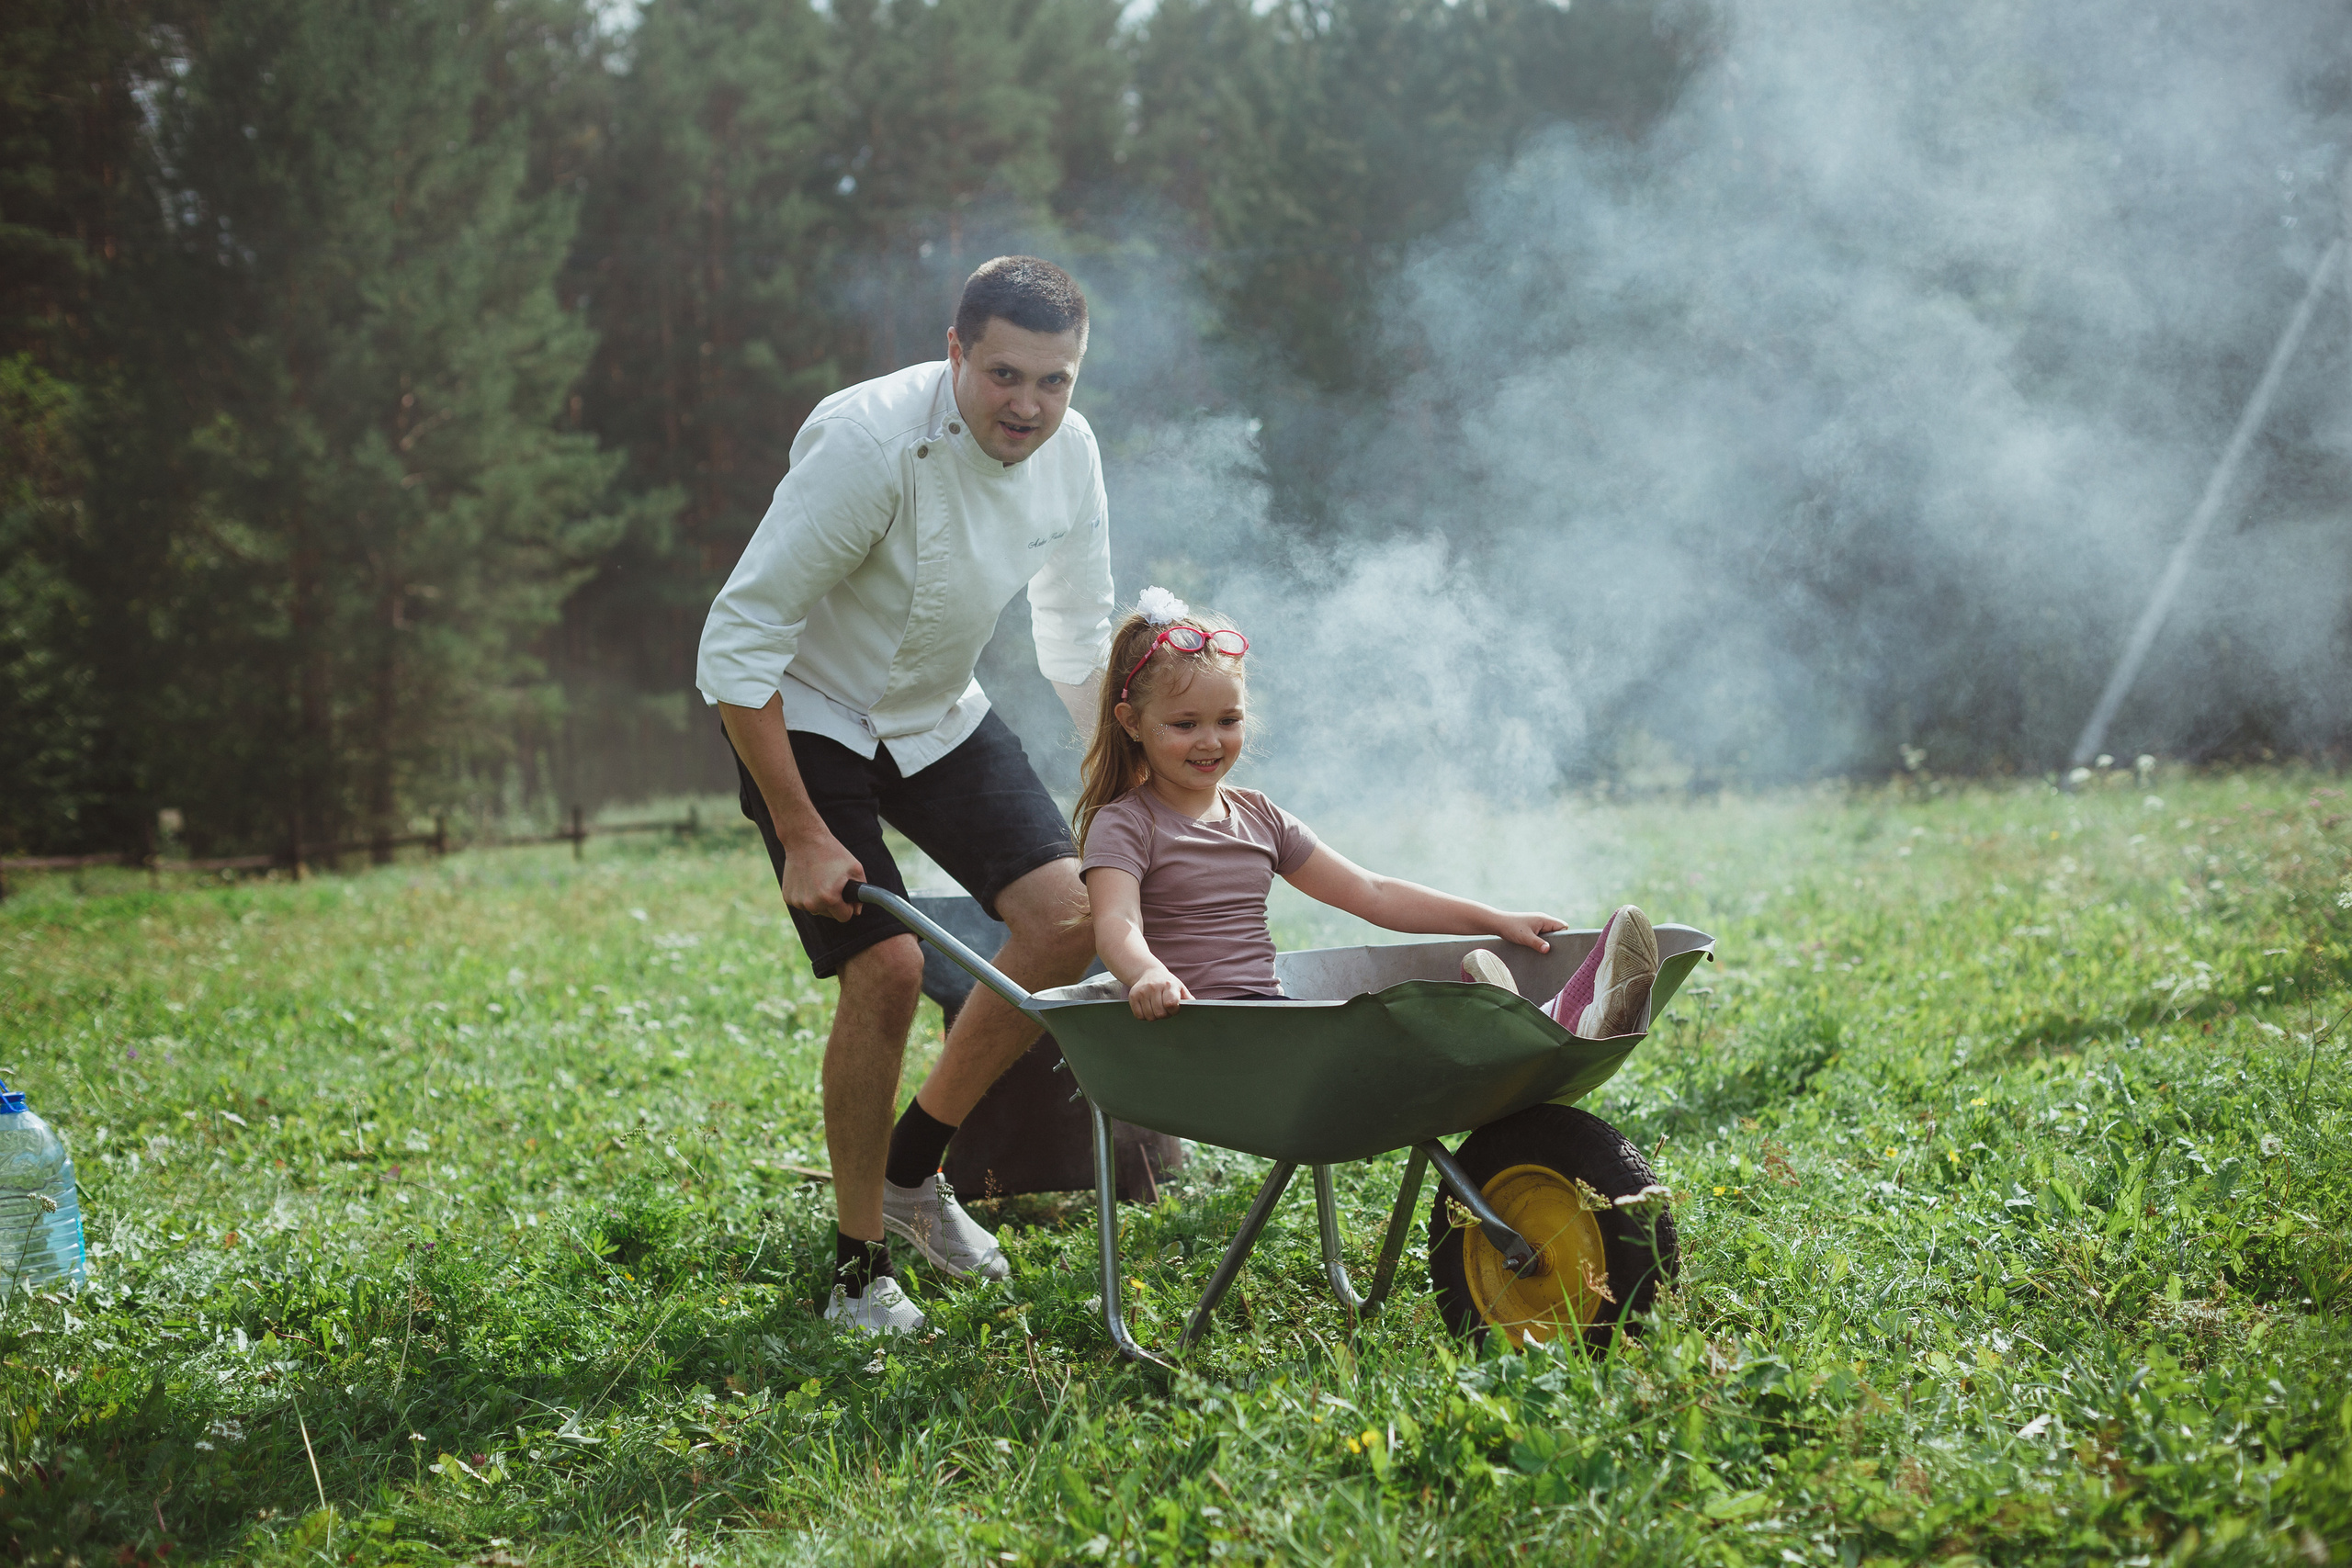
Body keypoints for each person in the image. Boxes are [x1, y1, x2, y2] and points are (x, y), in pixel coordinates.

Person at [699, 257, 1112, 1336]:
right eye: (1005, 374)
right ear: (957, 352)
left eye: (1055, 380)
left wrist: (1122, 783)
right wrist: (799, 831)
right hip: (812, 707)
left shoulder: (1070, 457)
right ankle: (855, 1269)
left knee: (1067, 921)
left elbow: (1073, 631)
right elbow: (736, 645)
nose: (1028, 404)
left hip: (936, 710)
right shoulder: (869, 447)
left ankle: (913, 1175)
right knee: (883, 970)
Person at [1076, 587, 1661, 1031]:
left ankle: (1535, 1019)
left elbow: (1373, 893)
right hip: (1208, 1032)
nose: (1211, 741)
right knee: (1384, 1036)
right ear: (1133, 724)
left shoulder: (1259, 817)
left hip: (1271, 1021)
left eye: (1228, 721)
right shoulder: (1127, 824)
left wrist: (1495, 919)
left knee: (1382, 1034)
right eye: (1185, 725)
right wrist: (1147, 972)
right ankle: (1542, 1018)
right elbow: (1117, 924)